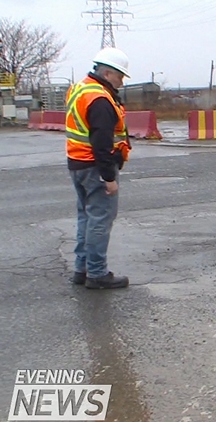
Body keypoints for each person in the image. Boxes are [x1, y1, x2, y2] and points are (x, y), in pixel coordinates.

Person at [66, 47, 132, 289]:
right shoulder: (100, 99)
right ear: (106, 72)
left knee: (86, 217)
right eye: (120, 77)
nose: (121, 82)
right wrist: (109, 177)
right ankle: (97, 273)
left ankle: (81, 269)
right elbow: (102, 142)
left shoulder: (79, 88)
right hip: (95, 167)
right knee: (100, 220)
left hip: (77, 164)